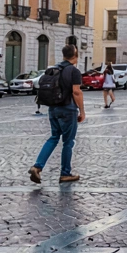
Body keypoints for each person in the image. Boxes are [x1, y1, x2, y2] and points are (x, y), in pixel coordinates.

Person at [28, 44, 85, 184]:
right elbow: (76, 92)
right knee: (68, 142)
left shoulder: (53, 69)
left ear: (64, 55)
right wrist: (82, 111)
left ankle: (37, 166)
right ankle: (65, 173)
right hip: (68, 109)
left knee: (54, 137)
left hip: (53, 108)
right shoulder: (74, 71)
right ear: (76, 56)